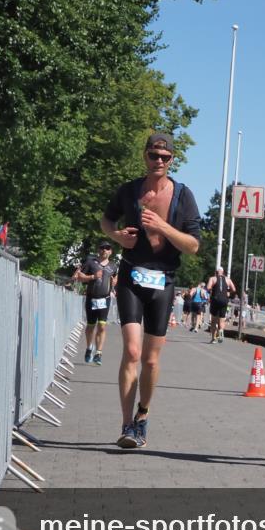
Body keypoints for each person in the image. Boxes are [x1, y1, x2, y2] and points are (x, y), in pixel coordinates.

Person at [101, 132, 200, 449]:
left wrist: (163, 227)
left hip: (164, 280)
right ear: (144, 156)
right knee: (131, 351)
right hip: (131, 274)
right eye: (153, 155)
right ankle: (127, 424)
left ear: (172, 160)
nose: (158, 161)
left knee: (151, 361)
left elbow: (194, 245)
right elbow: (106, 220)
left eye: (165, 157)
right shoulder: (129, 191)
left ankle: (143, 415)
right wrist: (118, 237)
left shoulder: (183, 196)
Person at [73, 242, 117, 365]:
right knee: (91, 326)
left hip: (105, 299)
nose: (104, 250)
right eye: (102, 248)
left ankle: (98, 353)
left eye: (107, 248)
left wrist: (115, 282)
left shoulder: (113, 266)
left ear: (110, 252)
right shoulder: (91, 262)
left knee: (102, 326)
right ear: (99, 250)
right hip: (91, 298)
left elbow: (115, 277)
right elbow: (79, 276)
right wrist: (92, 276)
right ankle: (88, 348)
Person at [205, 266, 236, 344]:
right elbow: (234, 289)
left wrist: (212, 289)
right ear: (223, 272)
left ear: (216, 272)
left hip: (215, 300)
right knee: (222, 319)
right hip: (224, 300)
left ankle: (213, 338)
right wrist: (228, 292)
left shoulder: (213, 278)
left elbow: (208, 287)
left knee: (214, 320)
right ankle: (221, 332)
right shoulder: (228, 279)